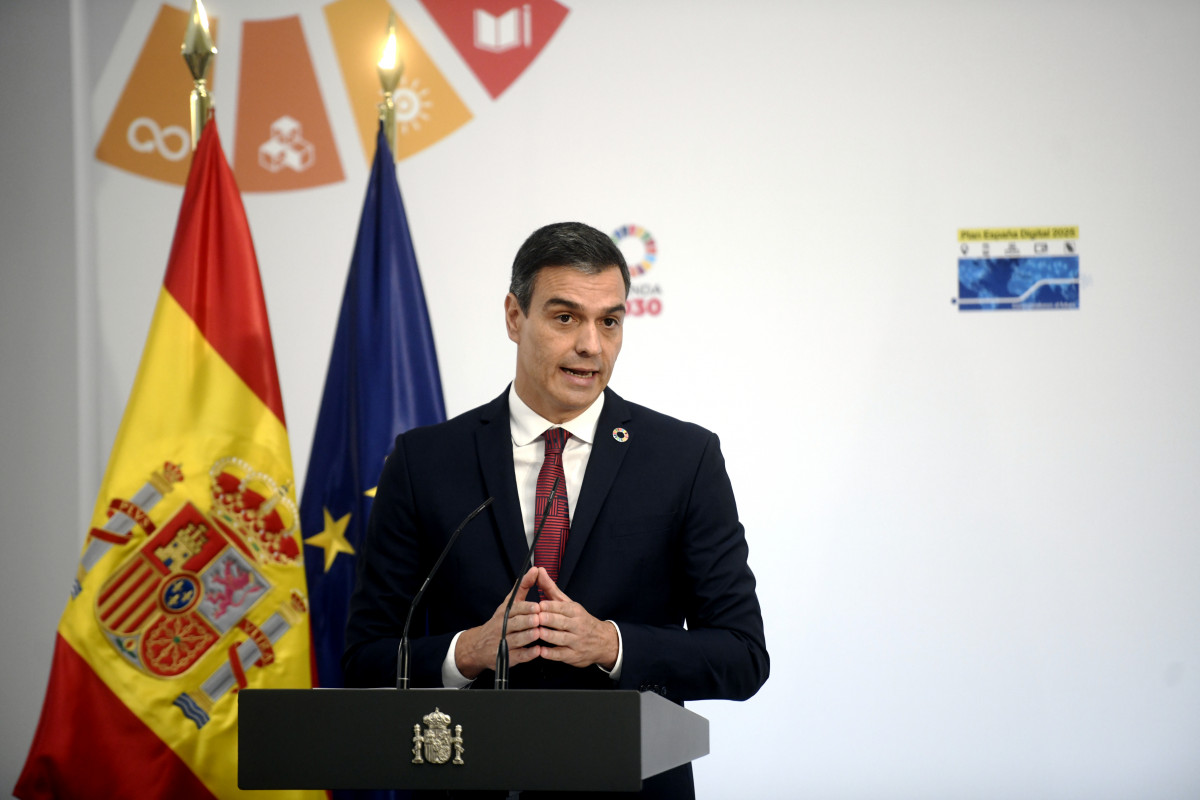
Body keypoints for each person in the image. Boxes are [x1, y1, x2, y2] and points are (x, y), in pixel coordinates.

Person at [343, 221, 768, 799]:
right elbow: (364, 657)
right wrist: (465, 653)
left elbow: (742, 656)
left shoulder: (683, 459)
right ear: (515, 317)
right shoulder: (425, 461)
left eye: (609, 322)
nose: (591, 345)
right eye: (565, 317)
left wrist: (611, 644)